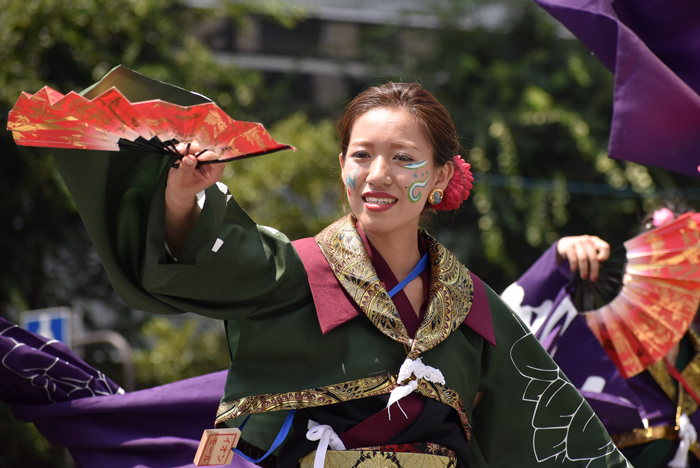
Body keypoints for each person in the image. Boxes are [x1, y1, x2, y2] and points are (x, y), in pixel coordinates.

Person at [50, 81, 629, 467]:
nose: (378, 176)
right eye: (360, 155)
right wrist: (181, 198)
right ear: (342, 165)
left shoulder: (472, 306)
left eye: (404, 159)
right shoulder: (291, 271)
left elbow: (549, 428)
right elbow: (201, 261)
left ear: (444, 175)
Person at [502, 205, 700, 468]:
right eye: (660, 265)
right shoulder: (593, 340)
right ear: (635, 271)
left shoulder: (694, 355)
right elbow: (513, 332)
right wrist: (559, 258)